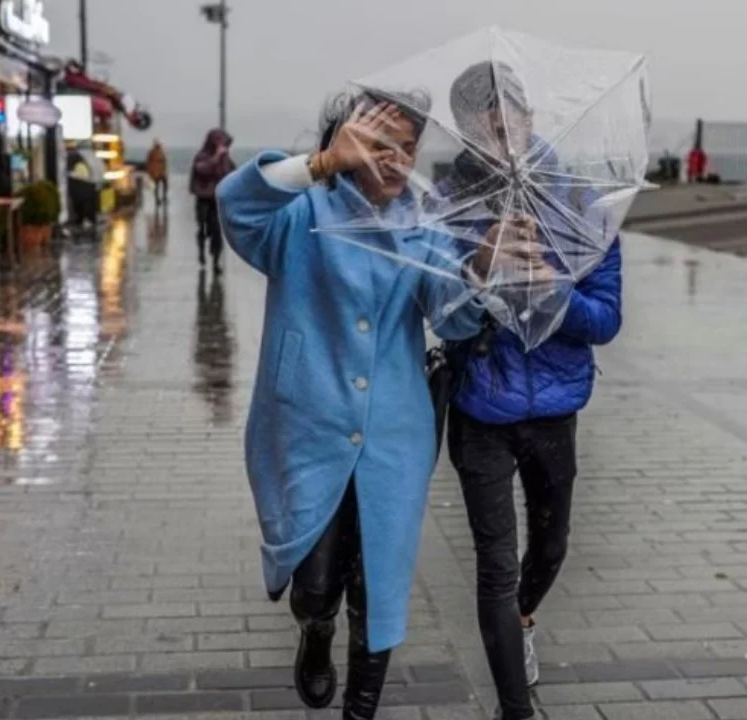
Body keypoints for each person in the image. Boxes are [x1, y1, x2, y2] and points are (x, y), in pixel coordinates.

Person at [216, 93, 518, 720]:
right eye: (381, 144)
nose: (397, 159)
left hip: (393, 435)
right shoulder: (302, 215)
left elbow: (454, 319)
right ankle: (315, 631)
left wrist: (482, 271)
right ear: (348, 141)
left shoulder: (423, 226)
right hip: (307, 420)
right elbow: (236, 208)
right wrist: (323, 162)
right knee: (318, 580)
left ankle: (362, 709)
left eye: (408, 148)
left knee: (376, 585)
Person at [438, 62, 623, 720]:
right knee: (495, 562)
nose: (495, 122)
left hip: (554, 409)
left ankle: (522, 621)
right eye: (479, 114)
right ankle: (515, 709)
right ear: (464, 128)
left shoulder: (578, 202)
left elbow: (606, 321)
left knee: (550, 546)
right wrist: (478, 267)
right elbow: (440, 315)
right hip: (479, 406)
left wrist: (552, 291)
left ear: (526, 115)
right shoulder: (449, 200)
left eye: (505, 108)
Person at [191, 129, 236, 269]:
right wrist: (216, 157)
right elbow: (201, 169)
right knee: (202, 227)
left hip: (217, 199)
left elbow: (231, 173)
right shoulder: (202, 156)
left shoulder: (225, 158)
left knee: (217, 230)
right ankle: (201, 251)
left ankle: (216, 260)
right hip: (203, 197)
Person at [146, 139, 169, 207]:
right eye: (157, 144)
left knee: (165, 184)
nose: (158, 145)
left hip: (161, 172)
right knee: (156, 186)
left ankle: (164, 197)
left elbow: (165, 161)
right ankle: (157, 200)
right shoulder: (151, 152)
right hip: (155, 172)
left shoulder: (162, 151)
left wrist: (165, 170)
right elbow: (148, 162)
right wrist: (150, 172)